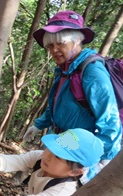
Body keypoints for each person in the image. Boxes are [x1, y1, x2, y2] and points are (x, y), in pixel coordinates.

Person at [22, 10, 121, 183]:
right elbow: (56, 103)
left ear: (77, 41)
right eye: (50, 46)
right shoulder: (64, 69)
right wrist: (39, 125)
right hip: (62, 141)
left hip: (78, 151)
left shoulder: (92, 71)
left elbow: (110, 118)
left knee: (57, 195)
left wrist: (101, 159)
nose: (54, 50)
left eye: (60, 43)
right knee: (42, 185)